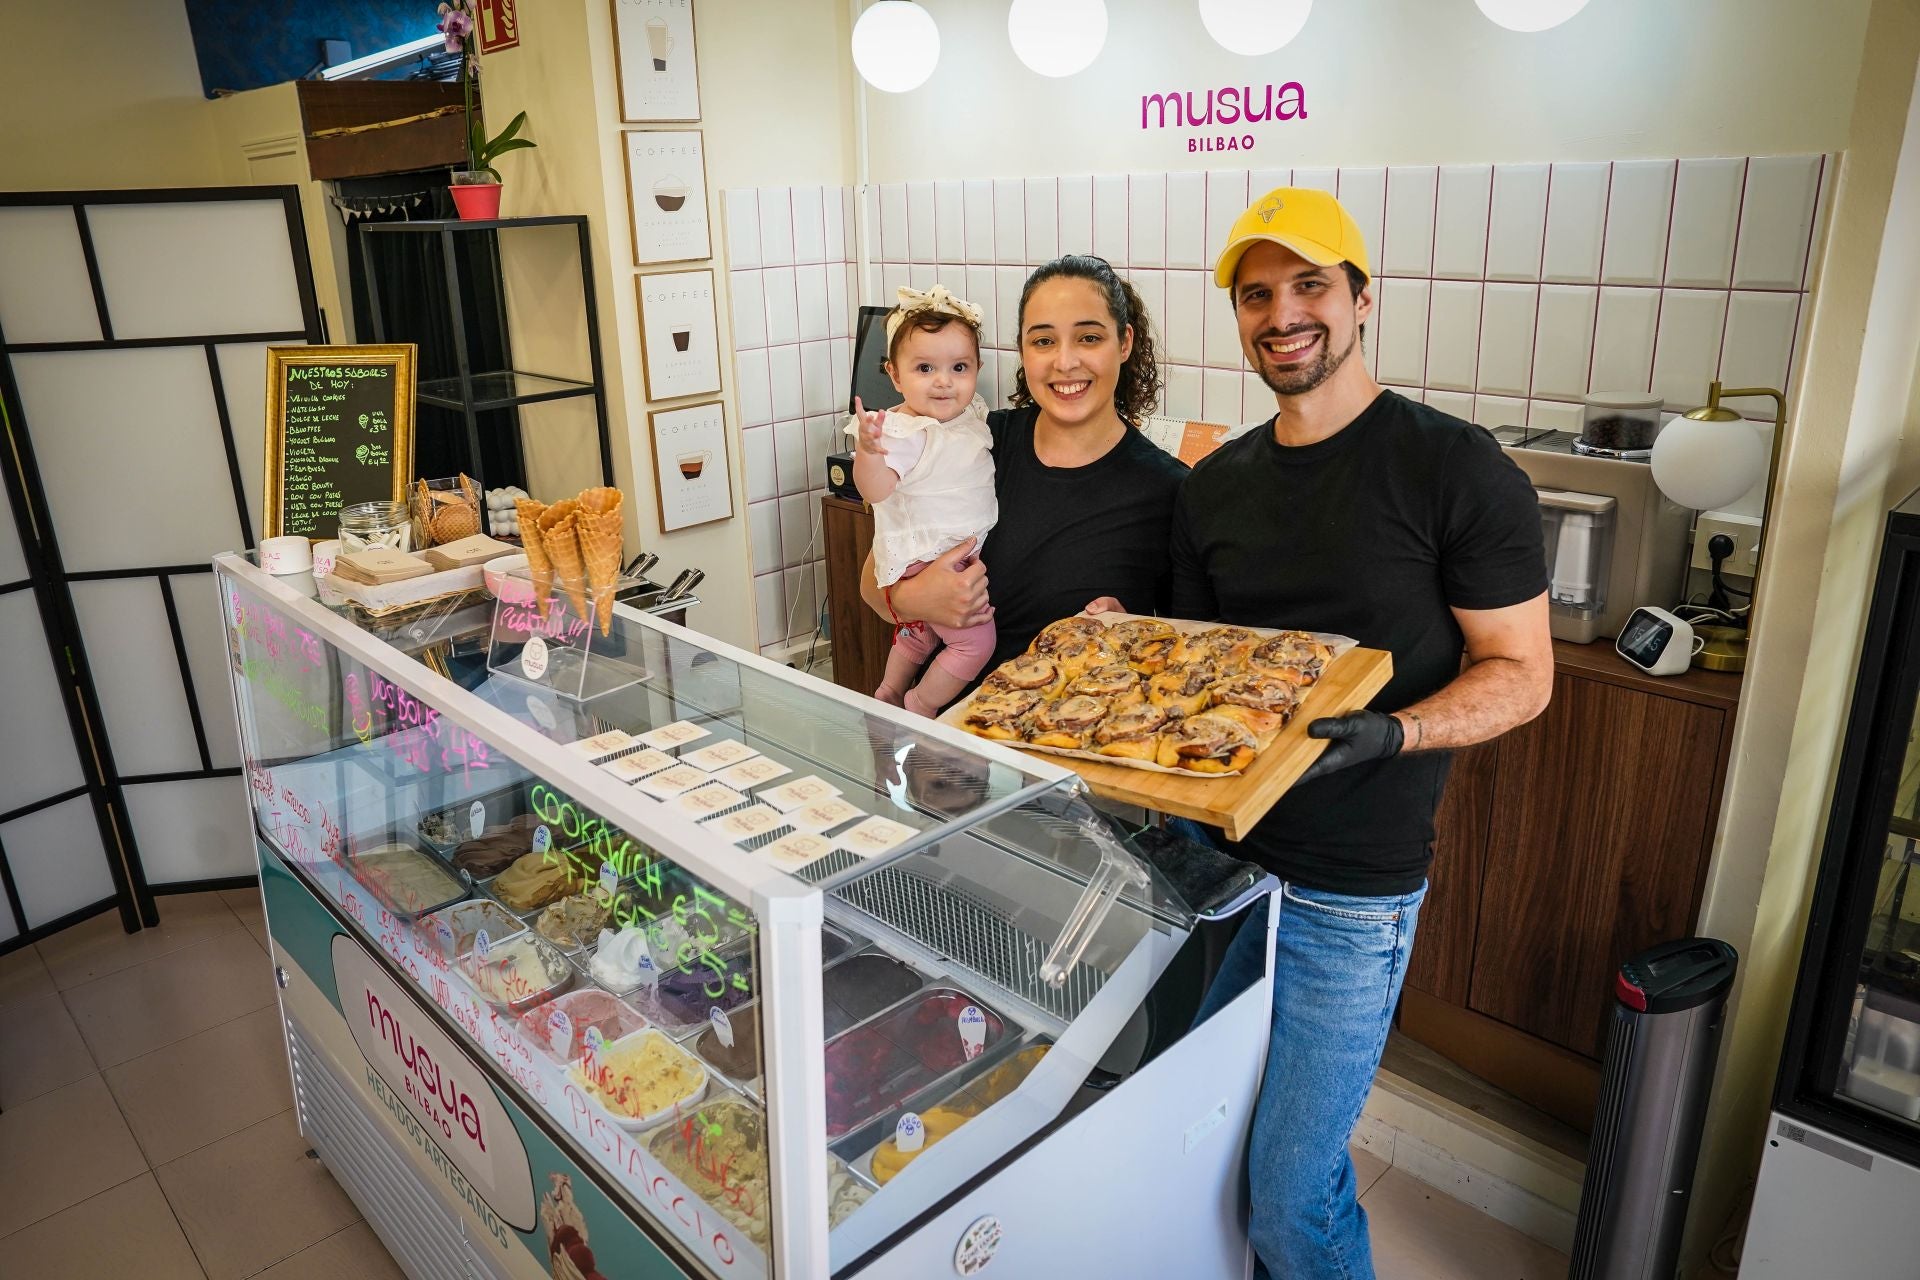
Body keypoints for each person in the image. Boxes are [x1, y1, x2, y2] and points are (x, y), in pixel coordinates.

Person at [1176, 189, 1554, 1279]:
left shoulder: (1454, 466)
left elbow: (1523, 675)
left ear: (1360, 299)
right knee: (1202, 1148)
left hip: (1351, 889)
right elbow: (1203, 675)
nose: (1282, 314)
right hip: (1216, 865)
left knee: (1290, 1193)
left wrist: (1394, 733)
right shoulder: (1215, 488)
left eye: (1309, 286)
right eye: (1257, 295)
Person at [859, 256, 1189, 691]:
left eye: (1089, 337)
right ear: (1022, 349)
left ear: (1124, 343)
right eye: (1043, 341)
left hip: (1063, 741)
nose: (1065, 362)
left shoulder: (1170, 490)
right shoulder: (975, 442)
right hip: (941, 733)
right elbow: (871, 584)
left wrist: (1126, 632)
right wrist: (913, 598)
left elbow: (1180, 650)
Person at [845, 285, 997, 716]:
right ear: (894, 375)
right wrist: (869, 453)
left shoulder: (968, 417)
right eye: (925, 367)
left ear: (976, 369)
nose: (944, 381)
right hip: (924, 555)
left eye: (959, 367)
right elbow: (875, 491)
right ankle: (921, 706)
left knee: (923, 632)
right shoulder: (907, 432)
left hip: (941, 554)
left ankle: (890, 690)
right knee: (976, 641)